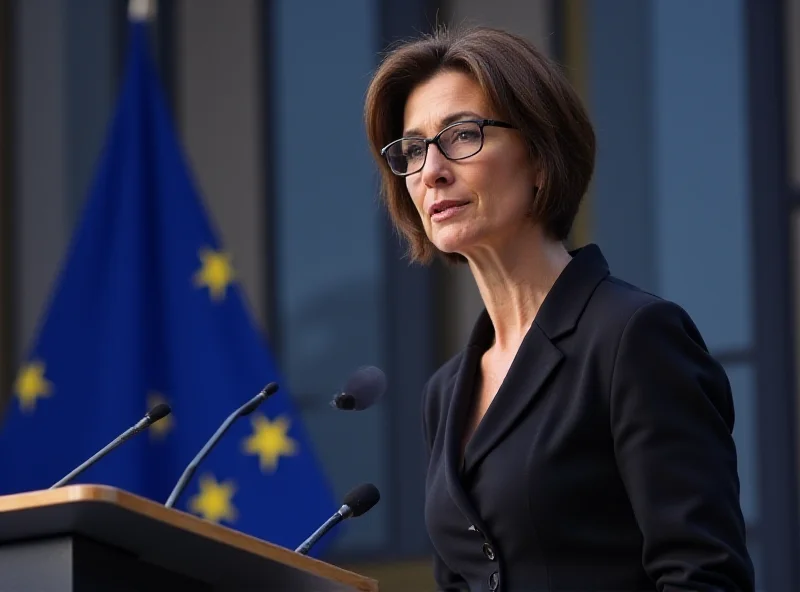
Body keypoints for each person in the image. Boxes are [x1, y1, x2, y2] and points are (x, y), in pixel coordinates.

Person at [363, 25, 755, 592]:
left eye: (462, 135)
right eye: (414, 149)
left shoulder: (633, 338)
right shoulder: (445, 393)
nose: (431, 171)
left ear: (541, 156)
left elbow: (705, 576)